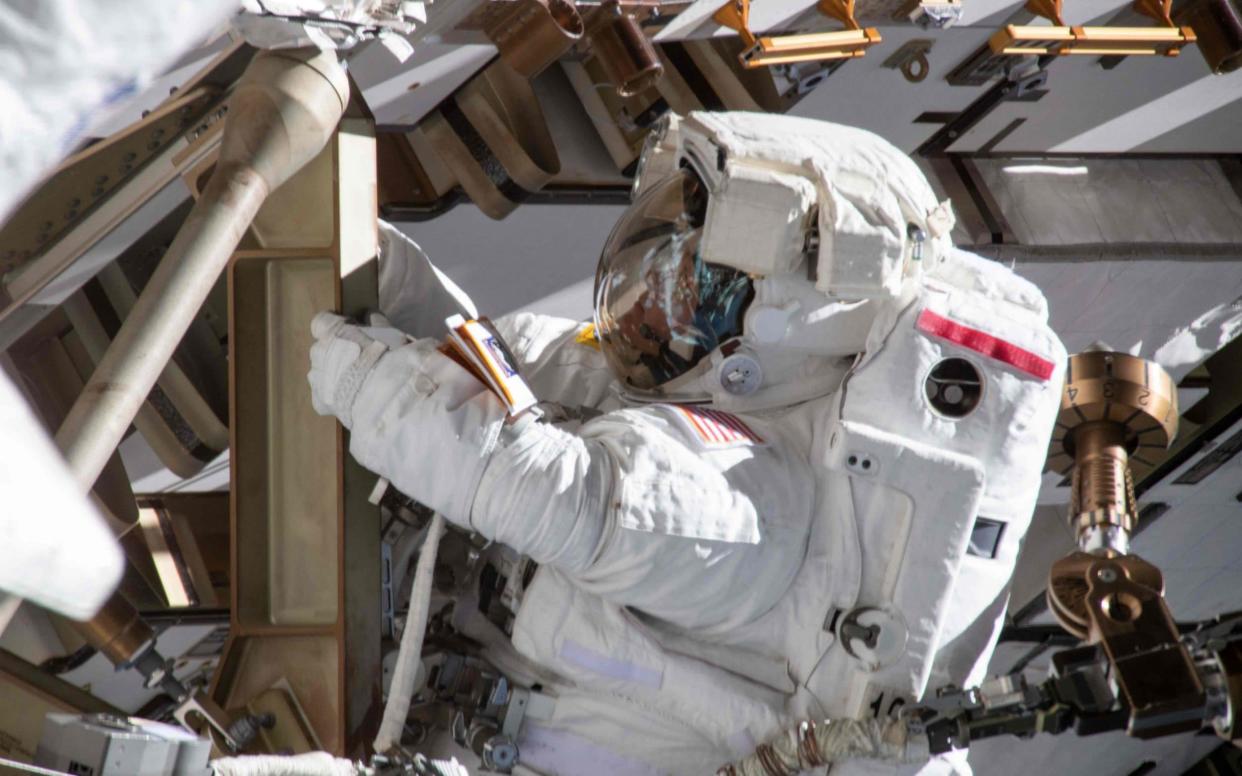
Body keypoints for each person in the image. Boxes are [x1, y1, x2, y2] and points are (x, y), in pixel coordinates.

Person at [307, 112, 1066, 774]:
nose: (655, 300)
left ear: (777, 337)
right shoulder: (670, 376)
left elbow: (560, 494)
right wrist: (383, 278)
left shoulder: (762, 508)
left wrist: (368, 387)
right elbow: (493, 369)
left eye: (696, 289)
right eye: (663, 260)